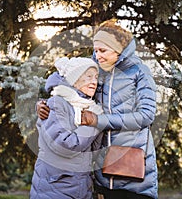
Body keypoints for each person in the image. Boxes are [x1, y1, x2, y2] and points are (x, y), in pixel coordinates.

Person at [37, 20, 158, 199]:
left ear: (118, 48)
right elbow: (62, 79)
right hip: (101, 175)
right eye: (95, 50)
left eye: (102, 50)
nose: (97, 55)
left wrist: (98, 120)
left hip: (133, 176)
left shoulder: (139, 72)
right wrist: (44, 103)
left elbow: (146, 115)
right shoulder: (95, 68)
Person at [30, 57, 104, 199]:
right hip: (55, 187)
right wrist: (92, 124)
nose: (94, 81)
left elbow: (93, 151)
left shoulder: (89, 107)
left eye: (96, 77)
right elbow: (65, 146)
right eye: (88, 76)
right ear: (74, 79)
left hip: (81, 187)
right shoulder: (56, 103)